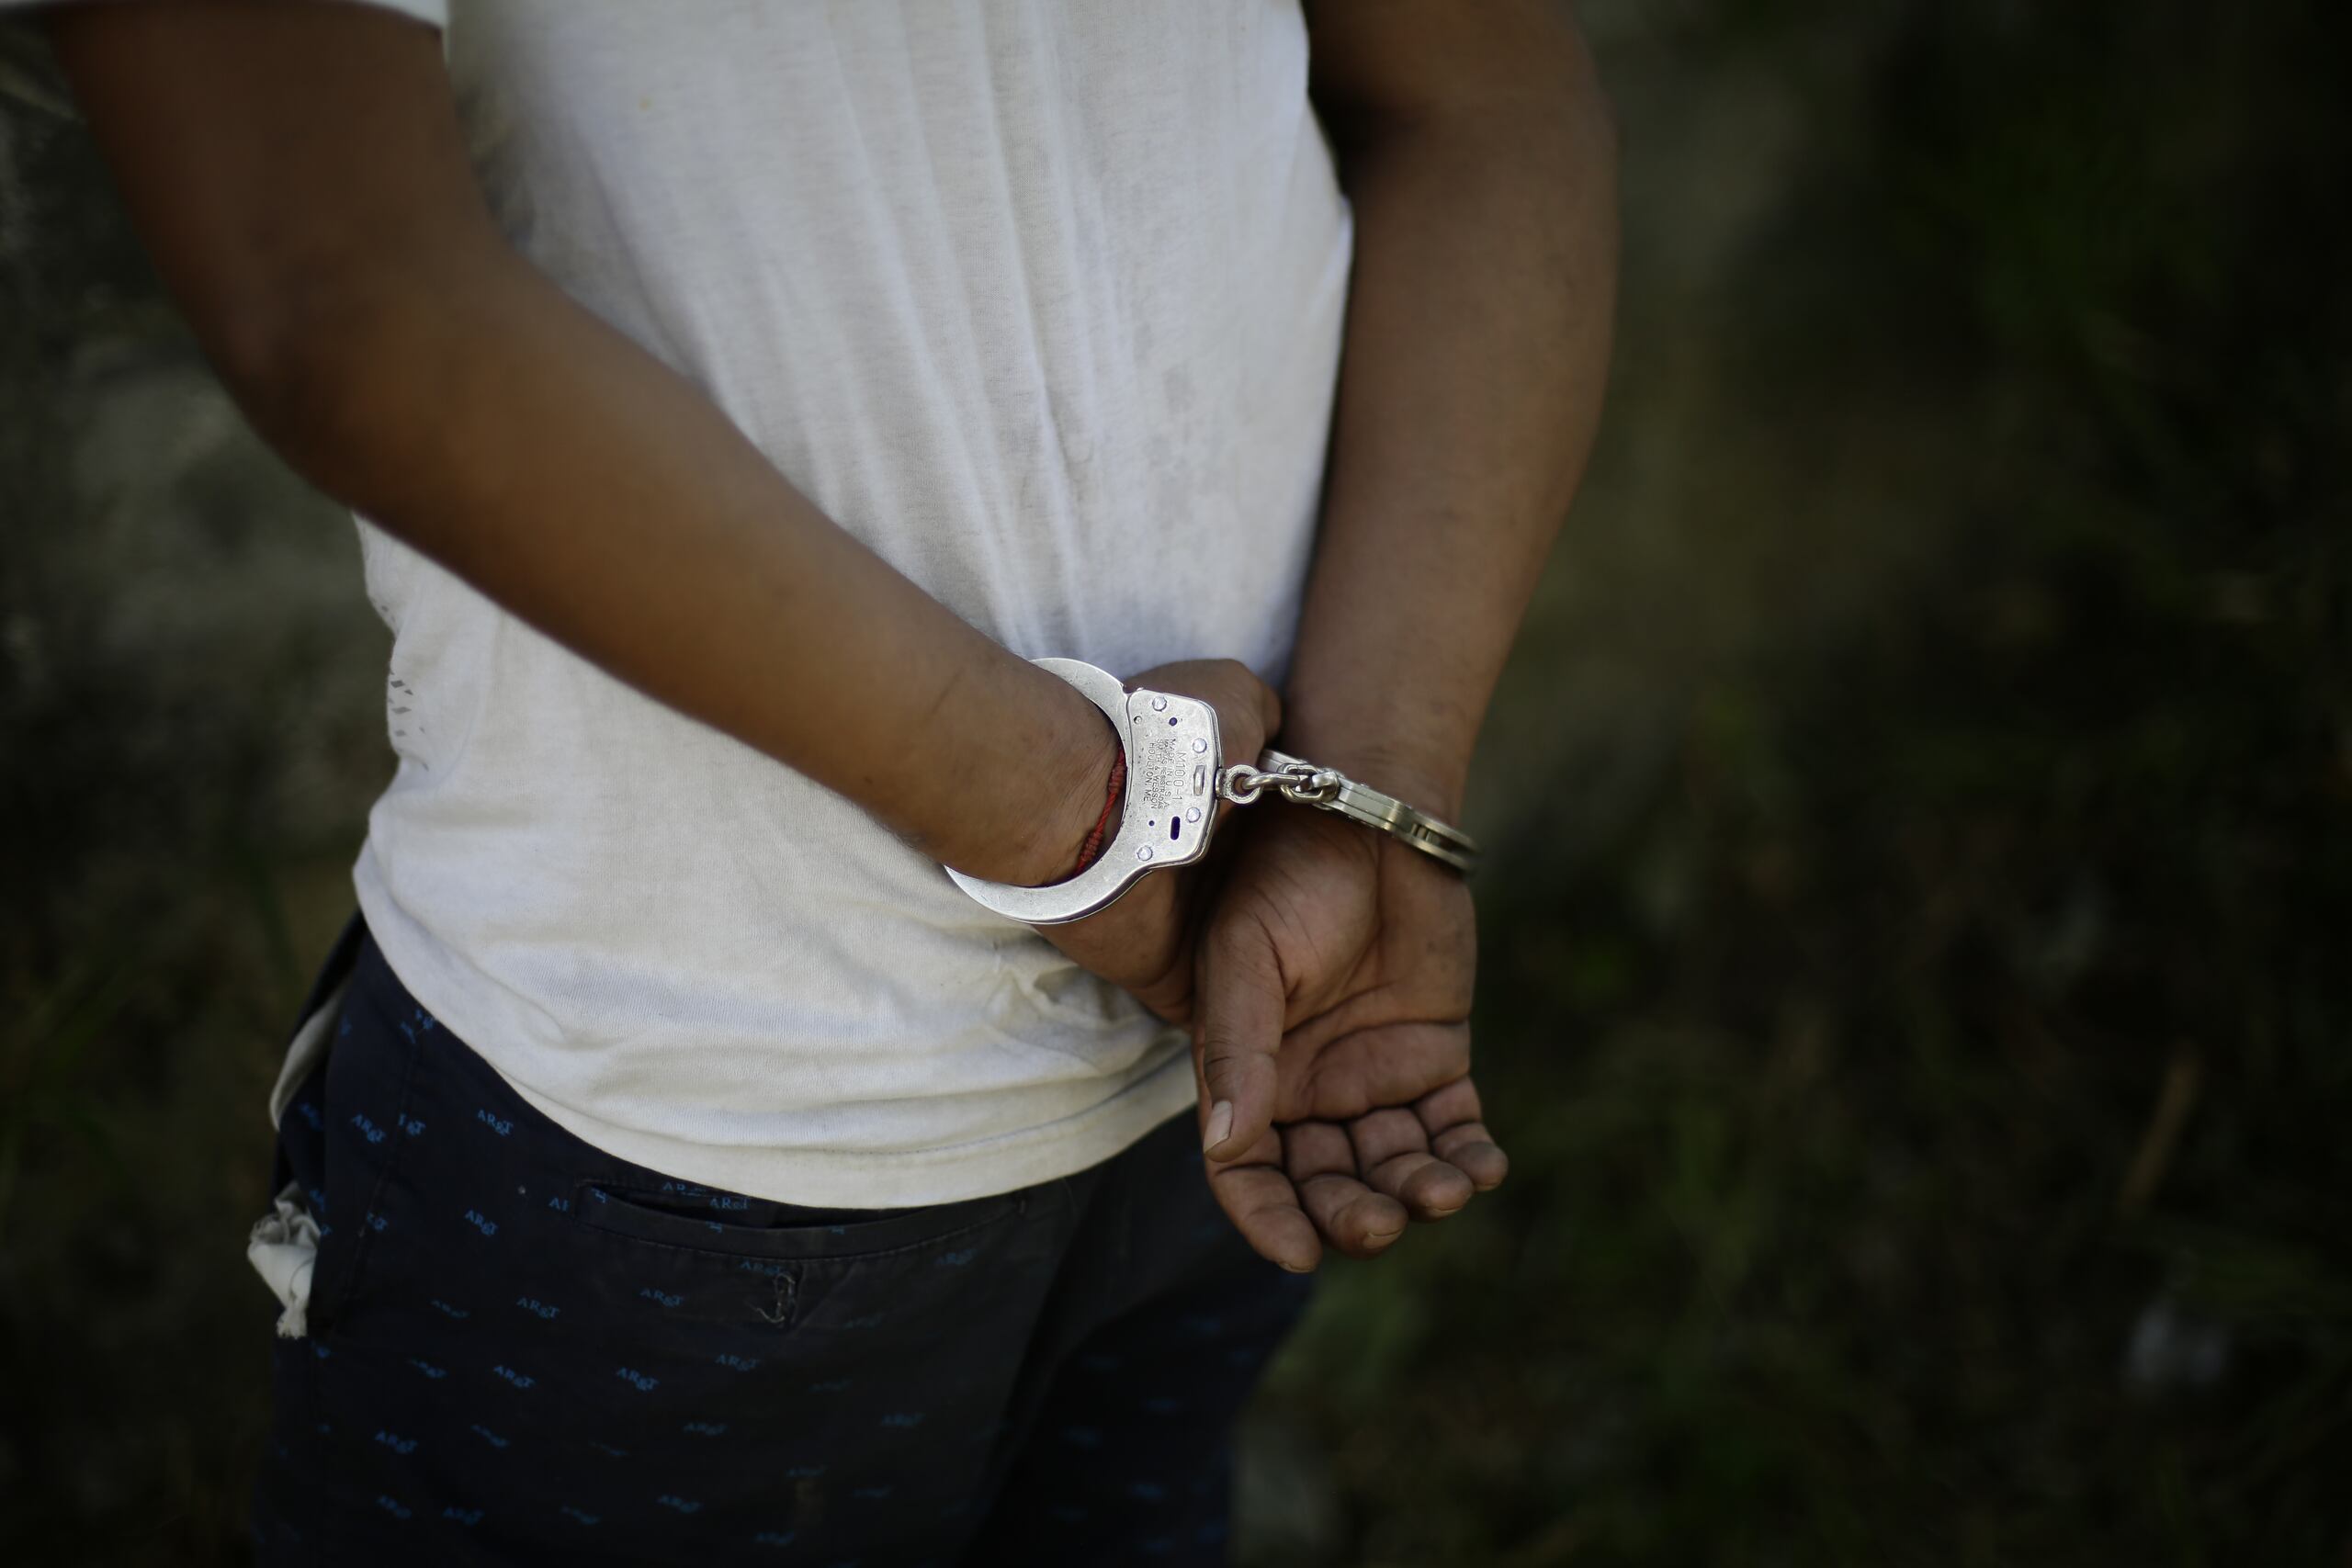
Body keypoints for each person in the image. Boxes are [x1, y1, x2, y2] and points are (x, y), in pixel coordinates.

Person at [36, 0, 1615, 1561]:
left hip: (1224, 1053)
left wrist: (1353, 790)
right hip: (704, 1140)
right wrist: (1087, 811)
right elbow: (340, 298)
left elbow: (1488, 102)